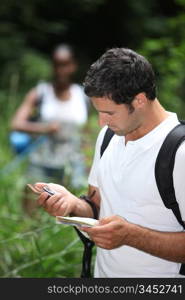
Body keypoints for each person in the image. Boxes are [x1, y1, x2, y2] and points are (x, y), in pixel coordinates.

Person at [34, 48, 185, 277]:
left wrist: (131, 235)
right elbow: (97, 209)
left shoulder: (179, 152)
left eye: (109, 113)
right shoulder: (107, 138)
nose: (102, 121)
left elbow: (127, 233)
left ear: (140, 100)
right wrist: (72, 204)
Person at [11, 44, 88, 213]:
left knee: (66, 217)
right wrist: (43, 128)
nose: (61, 70)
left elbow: (86, 132)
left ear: (73, 66)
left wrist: (89, 163)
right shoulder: (40, 92)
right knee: (31, 215)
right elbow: (16, 123)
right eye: (57, 65)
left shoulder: (82, 96)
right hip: (40, 164)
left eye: (65, 64)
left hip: (71, 165)